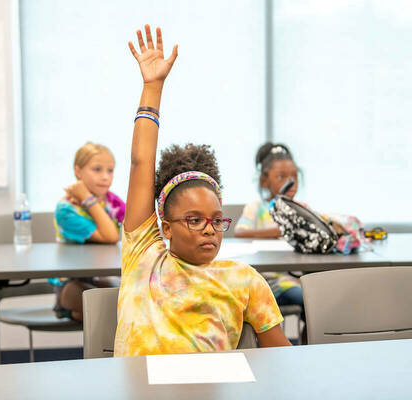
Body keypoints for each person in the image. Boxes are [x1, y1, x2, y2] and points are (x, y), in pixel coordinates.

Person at [115, 25, 291, 357]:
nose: (209, 230)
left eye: (216, 220)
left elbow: (281, 358)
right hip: (143, 390)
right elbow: (141, 163)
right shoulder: (144, 256)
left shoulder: (244, 280)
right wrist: (152, 87)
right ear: (165, 226)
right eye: (194, 221)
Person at [50, 142, 125, 321]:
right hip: (71, 283)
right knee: (95, 304)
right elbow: (111, 236)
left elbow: (136, 226)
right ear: (78, 171)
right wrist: (87, 198)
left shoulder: (112, 201)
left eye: (110, 170)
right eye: (97, 169)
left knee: (122, 296)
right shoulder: (66, 209)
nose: (105, 177)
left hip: (102, 278)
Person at [234, 143, 305, 326]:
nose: (291, 183)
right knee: (309, 300)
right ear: (265, 181)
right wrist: (275, 232)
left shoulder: (302, 210)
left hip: (295, 279)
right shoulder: (256, 208)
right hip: (266, 282)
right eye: (281, 177)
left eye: (294, 177)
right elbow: (240, 232)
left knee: (319, 301)